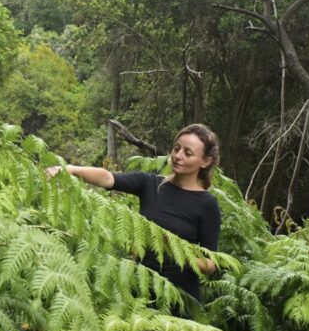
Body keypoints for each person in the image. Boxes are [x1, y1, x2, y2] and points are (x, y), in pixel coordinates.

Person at [45, 123, 222, 303]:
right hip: (139, 291)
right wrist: (72, 170)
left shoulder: (207, 204)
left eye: (188, 153)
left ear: (205, 161)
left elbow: (209, 264)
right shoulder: (150, 184)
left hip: (180, 300)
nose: (178, 156)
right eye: (176, 149)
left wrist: (173, 249)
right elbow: (108, 178)